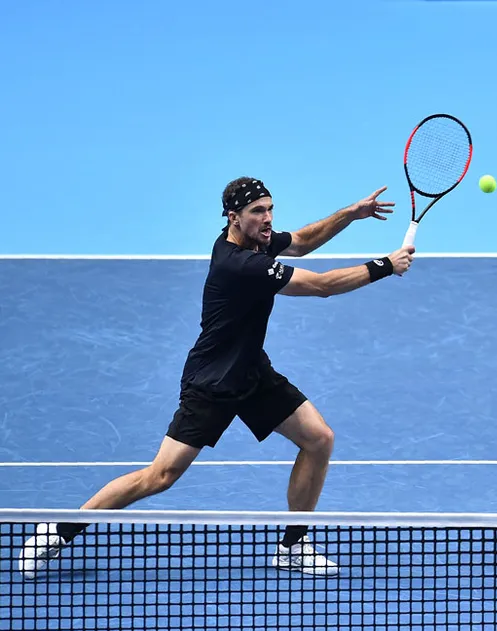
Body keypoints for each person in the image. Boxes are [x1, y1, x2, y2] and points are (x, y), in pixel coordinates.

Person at [18, 177, 415, 579]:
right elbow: (322, 286)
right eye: (257, 212)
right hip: (213, 381)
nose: (267, 218)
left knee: (318, 439)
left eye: (270, 209)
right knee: (160, 477)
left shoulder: (255, 242)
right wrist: (386, 265)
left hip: (250, 372)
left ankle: (293, 545)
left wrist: (351, 213)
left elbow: (301, 241)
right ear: (233, 217)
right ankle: (59, 530)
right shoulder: (241, 264)